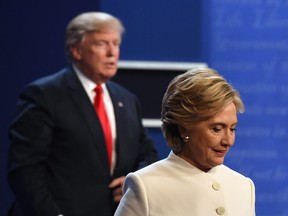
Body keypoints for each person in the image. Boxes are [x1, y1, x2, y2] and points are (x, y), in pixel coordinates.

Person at [7, 12, 158, 216]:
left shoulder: (127, 99)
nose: (112, 52)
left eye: (115, 43)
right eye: (102, 44)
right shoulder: (44, 95)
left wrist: (133, 181)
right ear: (76, 51)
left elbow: (147, 153)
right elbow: (25, 169)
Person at [115, 67, 256, 216]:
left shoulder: (243, 187)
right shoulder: (145, 186)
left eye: (232, 129)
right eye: (217, 129)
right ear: (184, 129)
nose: (228, 141)